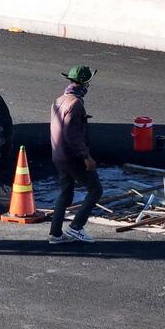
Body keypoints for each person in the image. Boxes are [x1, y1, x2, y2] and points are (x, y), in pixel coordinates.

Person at [49, 64, 101, 243]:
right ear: (84, 84)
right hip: (72, 157)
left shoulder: (58, 100)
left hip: (58, 155)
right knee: (95, 190)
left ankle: (55, 234)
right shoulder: (76, 104)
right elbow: (72, 135)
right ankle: (76, 227)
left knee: (65, 194)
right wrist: (86, 156)